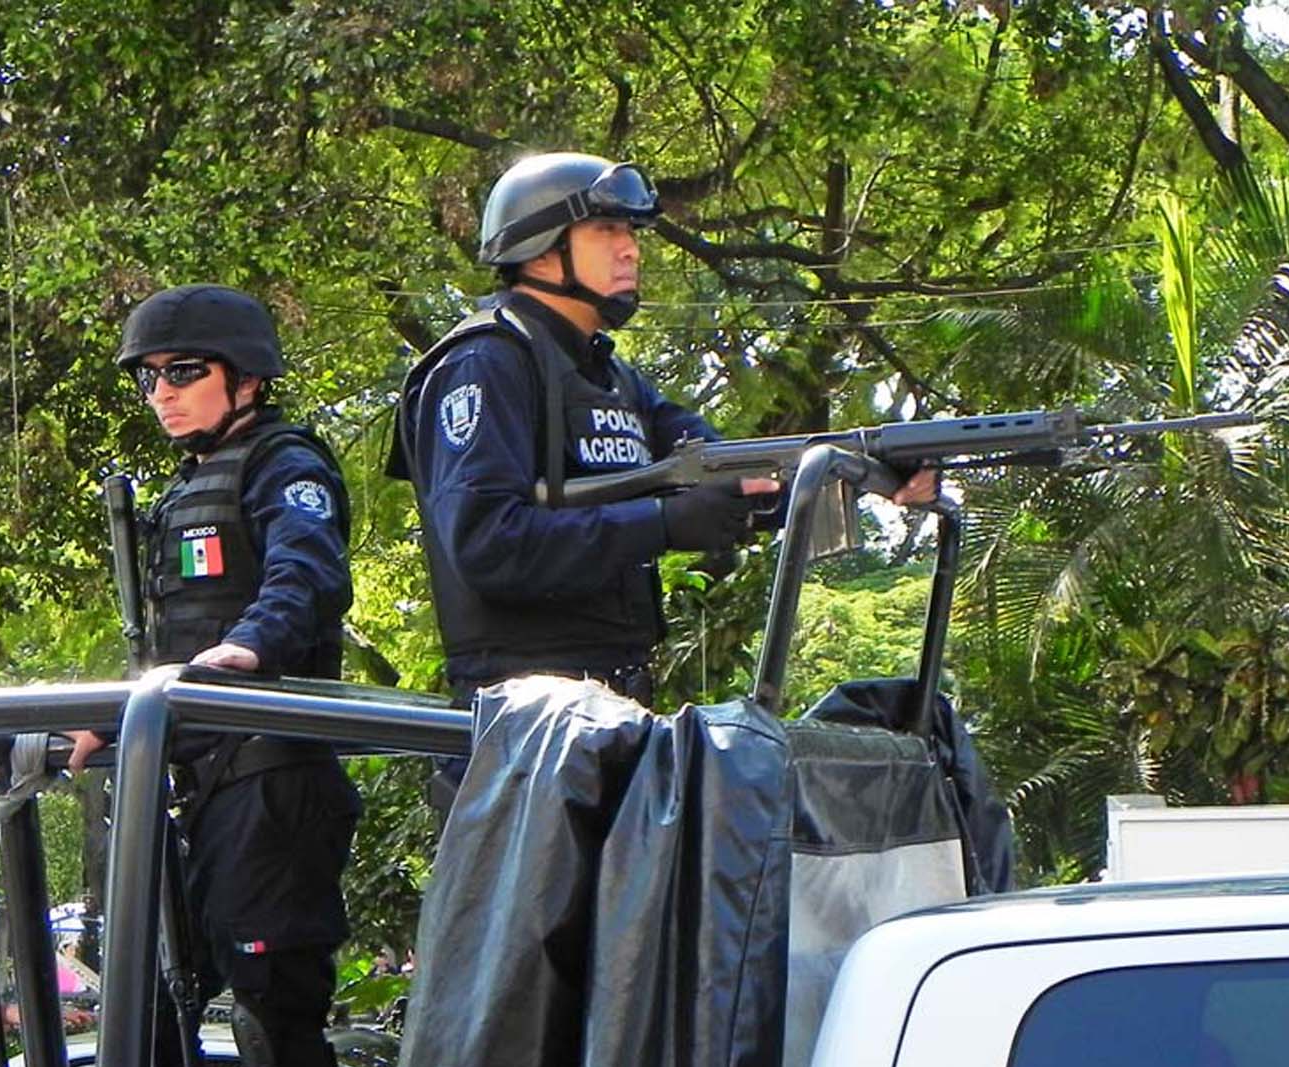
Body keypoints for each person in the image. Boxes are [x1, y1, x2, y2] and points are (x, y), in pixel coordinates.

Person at [68, 283, 361, 1067]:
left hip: (272, 776)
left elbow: (307, 576)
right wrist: (108, 719)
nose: (161, 391)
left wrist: (248, 649)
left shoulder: (286, 463)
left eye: (183, 371)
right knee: (156, 1012)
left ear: (245, 376)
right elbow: (171, 644)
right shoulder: (185, 486)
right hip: (192, 777)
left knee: (273, 1010)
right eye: (150, 376)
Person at [390, 151, 936, 713]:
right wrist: (664, 523)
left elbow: (736, 476)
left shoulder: (611, 376)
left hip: (613, 703)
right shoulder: (485, 362)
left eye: (630, 232)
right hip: (520, 714)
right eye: (607, 230)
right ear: (542, 250)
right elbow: (486, 545)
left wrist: (871, 470)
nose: (631, 249)